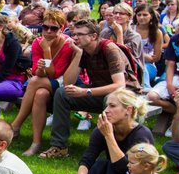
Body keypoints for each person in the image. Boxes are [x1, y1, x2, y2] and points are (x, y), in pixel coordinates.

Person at [39, 19, 140, 160]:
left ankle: (113, 147)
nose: (75, 38)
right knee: (62, 93)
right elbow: (68, 82)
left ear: (93, 36)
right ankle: (59, 146)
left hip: (125, 95)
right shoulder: (84, 51)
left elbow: (119, 85)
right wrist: (78, 54)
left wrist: (86, 92)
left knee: (110, 100)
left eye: (80, 34)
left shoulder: (109, 49)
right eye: (74, 34)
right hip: (100, 91)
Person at [61, 90, 154, 174]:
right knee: (100, 163)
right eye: (106, 106)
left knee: (112, 165)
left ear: (128, 110)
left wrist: (109, 136)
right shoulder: (102, 129)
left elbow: (127, 169)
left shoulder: (141, 135)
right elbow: (86, 161)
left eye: (112, 106)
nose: (106, 110)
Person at [11, 11, 73, 156]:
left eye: (54, 28)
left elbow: (54, 74)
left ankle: (15, 125)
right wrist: (40, 69)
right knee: (40, 94)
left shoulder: (67, 44)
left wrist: (47, 51)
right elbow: (38, 73)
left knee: (34, 82)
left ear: (62, 28)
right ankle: (36, 143)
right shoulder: (37, 42)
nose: (49, 31)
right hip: (42, 83)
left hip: (63, 83)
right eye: (45, 27)